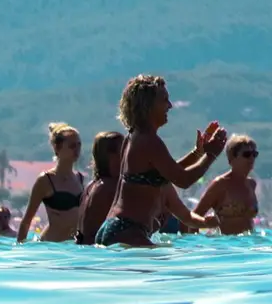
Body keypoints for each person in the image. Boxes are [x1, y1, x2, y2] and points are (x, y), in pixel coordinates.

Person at [95, 74, 227, 247]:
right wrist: (212, 155)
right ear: (148, 106)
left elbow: (166, 172)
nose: (170, 106)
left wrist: (198, 153)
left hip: (113, 228)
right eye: (164, 100)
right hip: (128, 231)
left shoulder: (134, 137)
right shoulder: (150, 141)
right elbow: (183, 180)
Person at [17, 123, 88, 243]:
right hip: (51, 247)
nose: (77, 150)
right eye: (72, 146)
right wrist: (19, 250)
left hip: (73, 247)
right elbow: (27, 220)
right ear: (57, 148)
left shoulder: (80, 178)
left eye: (78, 145)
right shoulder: (46, 180)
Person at [196, 133, 263, 235]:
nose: (252, 158)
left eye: (255, 154)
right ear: (232, 158)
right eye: (247, 154)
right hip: (227, 245)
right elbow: (195, 216)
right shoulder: (220, 184)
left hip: (249, 245)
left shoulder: (251, 184)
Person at [75, 131, 125, 245]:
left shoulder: (91, 186)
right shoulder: (109, 187)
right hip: (100, 252)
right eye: (124, 150)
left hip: (87, 251)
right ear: (111, 155)